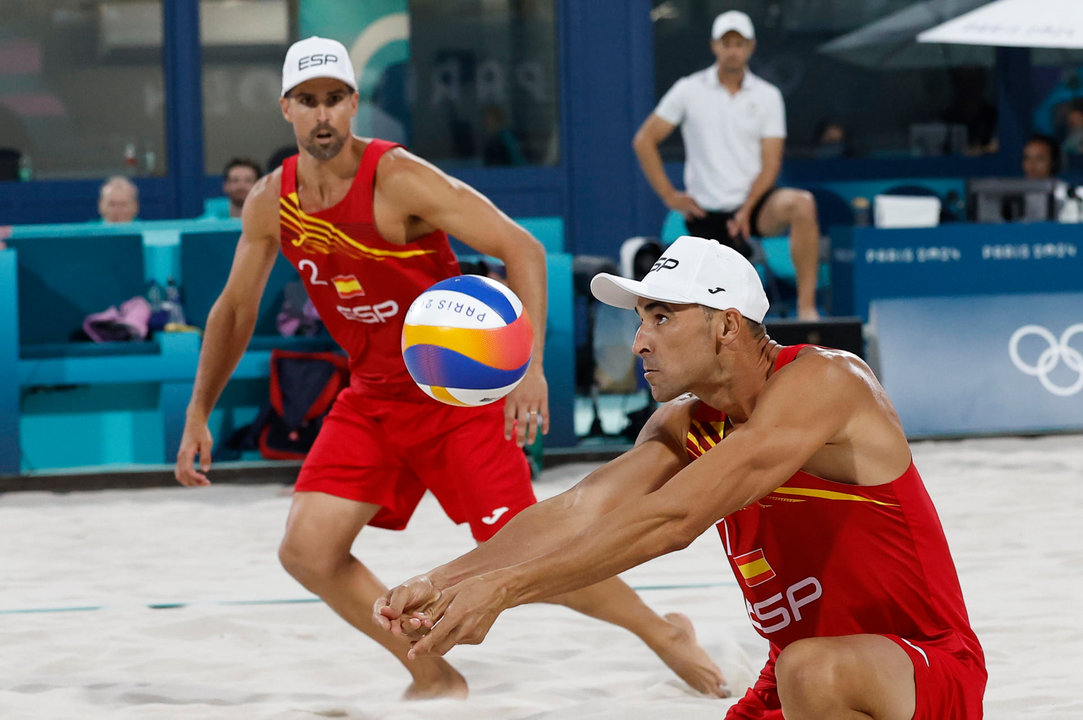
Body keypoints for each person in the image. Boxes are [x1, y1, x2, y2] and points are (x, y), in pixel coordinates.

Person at [174, 36, 725, 700]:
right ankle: (430, 671)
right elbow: (233, 311)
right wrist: (198, 410)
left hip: (454, 397)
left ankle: (661, 631)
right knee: (307, 552)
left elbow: (519, 246)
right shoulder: (271, 203)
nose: (322, 116)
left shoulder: (398, 178)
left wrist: (528, 369)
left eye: (333, 100)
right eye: (307, 101)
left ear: (353, 103)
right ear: (285, 108)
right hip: (372, 398)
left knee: (531, 554)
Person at [376, 235, 987, 719]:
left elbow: (675, 519)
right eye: (640, 319)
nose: (639, 341)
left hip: (921, 670)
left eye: (662, 318)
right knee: (800, 668)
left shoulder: (826, 382)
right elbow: (581, 510)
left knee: (811, 669)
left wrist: (506, 591)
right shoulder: (680, 423)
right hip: (792, 679)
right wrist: (443, 580)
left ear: (725, 324)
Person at [633, 10, 821, 321]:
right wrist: (670, 195)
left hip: (754, 205)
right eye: (727, 43)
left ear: (751, 47)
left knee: (803, 204)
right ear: (714, 46)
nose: (733, 49)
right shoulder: (689, 89)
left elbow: (771, 163)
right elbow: (644, 140)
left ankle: (806, 309)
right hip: (706, 213)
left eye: (739, 43)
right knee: (710, 312)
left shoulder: (768, 95)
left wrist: (746, 210)